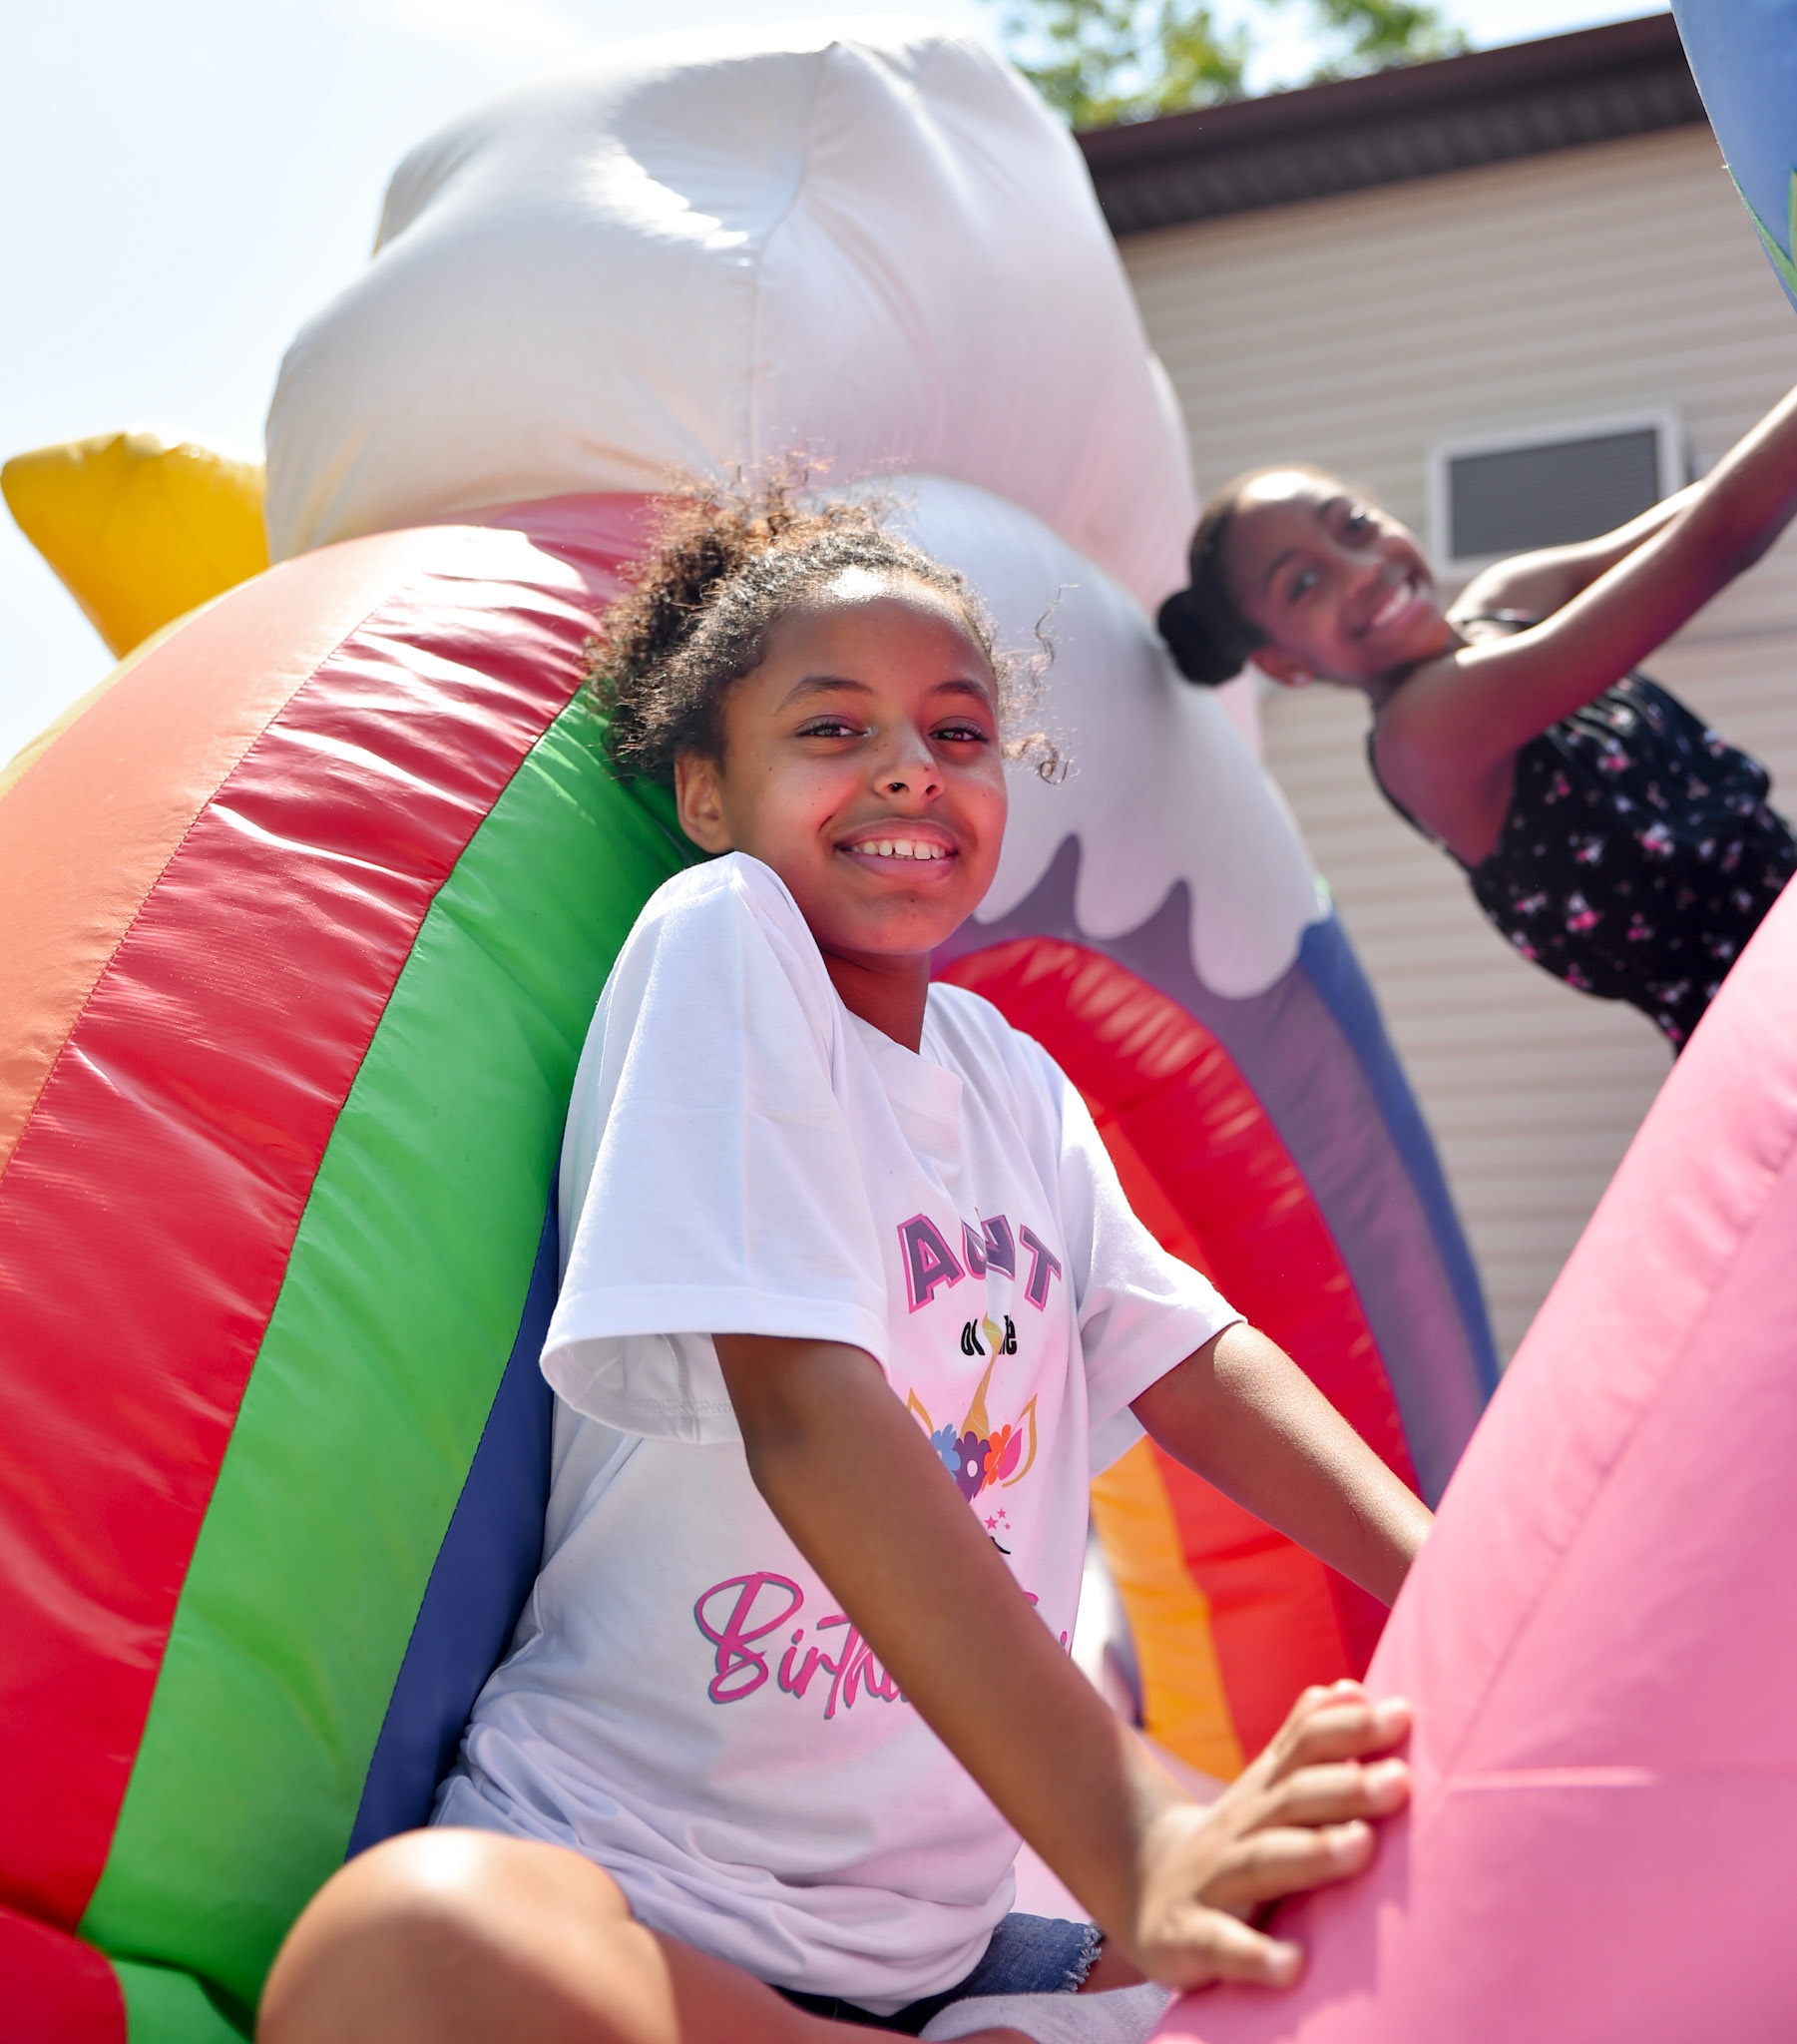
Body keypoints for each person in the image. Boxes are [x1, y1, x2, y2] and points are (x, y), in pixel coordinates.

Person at [258, 488, 1429, 2044]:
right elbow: (803, 1409)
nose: (907, 768)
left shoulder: (1010, 1077)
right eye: (832, 728)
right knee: (402, 1947)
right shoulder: (724, 936)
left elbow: (1196, 1363)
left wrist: (1459, 1578)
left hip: (950, 1941)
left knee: (1359, 1886)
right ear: (706, 792)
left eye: (958, 733)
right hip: (646, 1887)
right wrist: (1140, 1846)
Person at [1155, 386, 1797, 1052]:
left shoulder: (1504, 600)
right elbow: (1717, 539)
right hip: (1768, 1031)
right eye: (1303, 584)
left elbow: (1697, 514)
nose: (1363, 570)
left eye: (1354, 525)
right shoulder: (1424, 735)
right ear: (1285, 665)